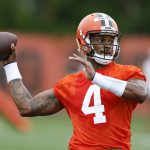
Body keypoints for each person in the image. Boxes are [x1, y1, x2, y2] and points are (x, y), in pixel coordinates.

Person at [0, 12, 148, 150]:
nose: (108, 45)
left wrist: (96, 78)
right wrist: (10, 65)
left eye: (111, 40)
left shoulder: (127, 72)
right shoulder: (70, 84)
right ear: (84, 42)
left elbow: (141, 93)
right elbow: (27, 107)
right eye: (101, 39)